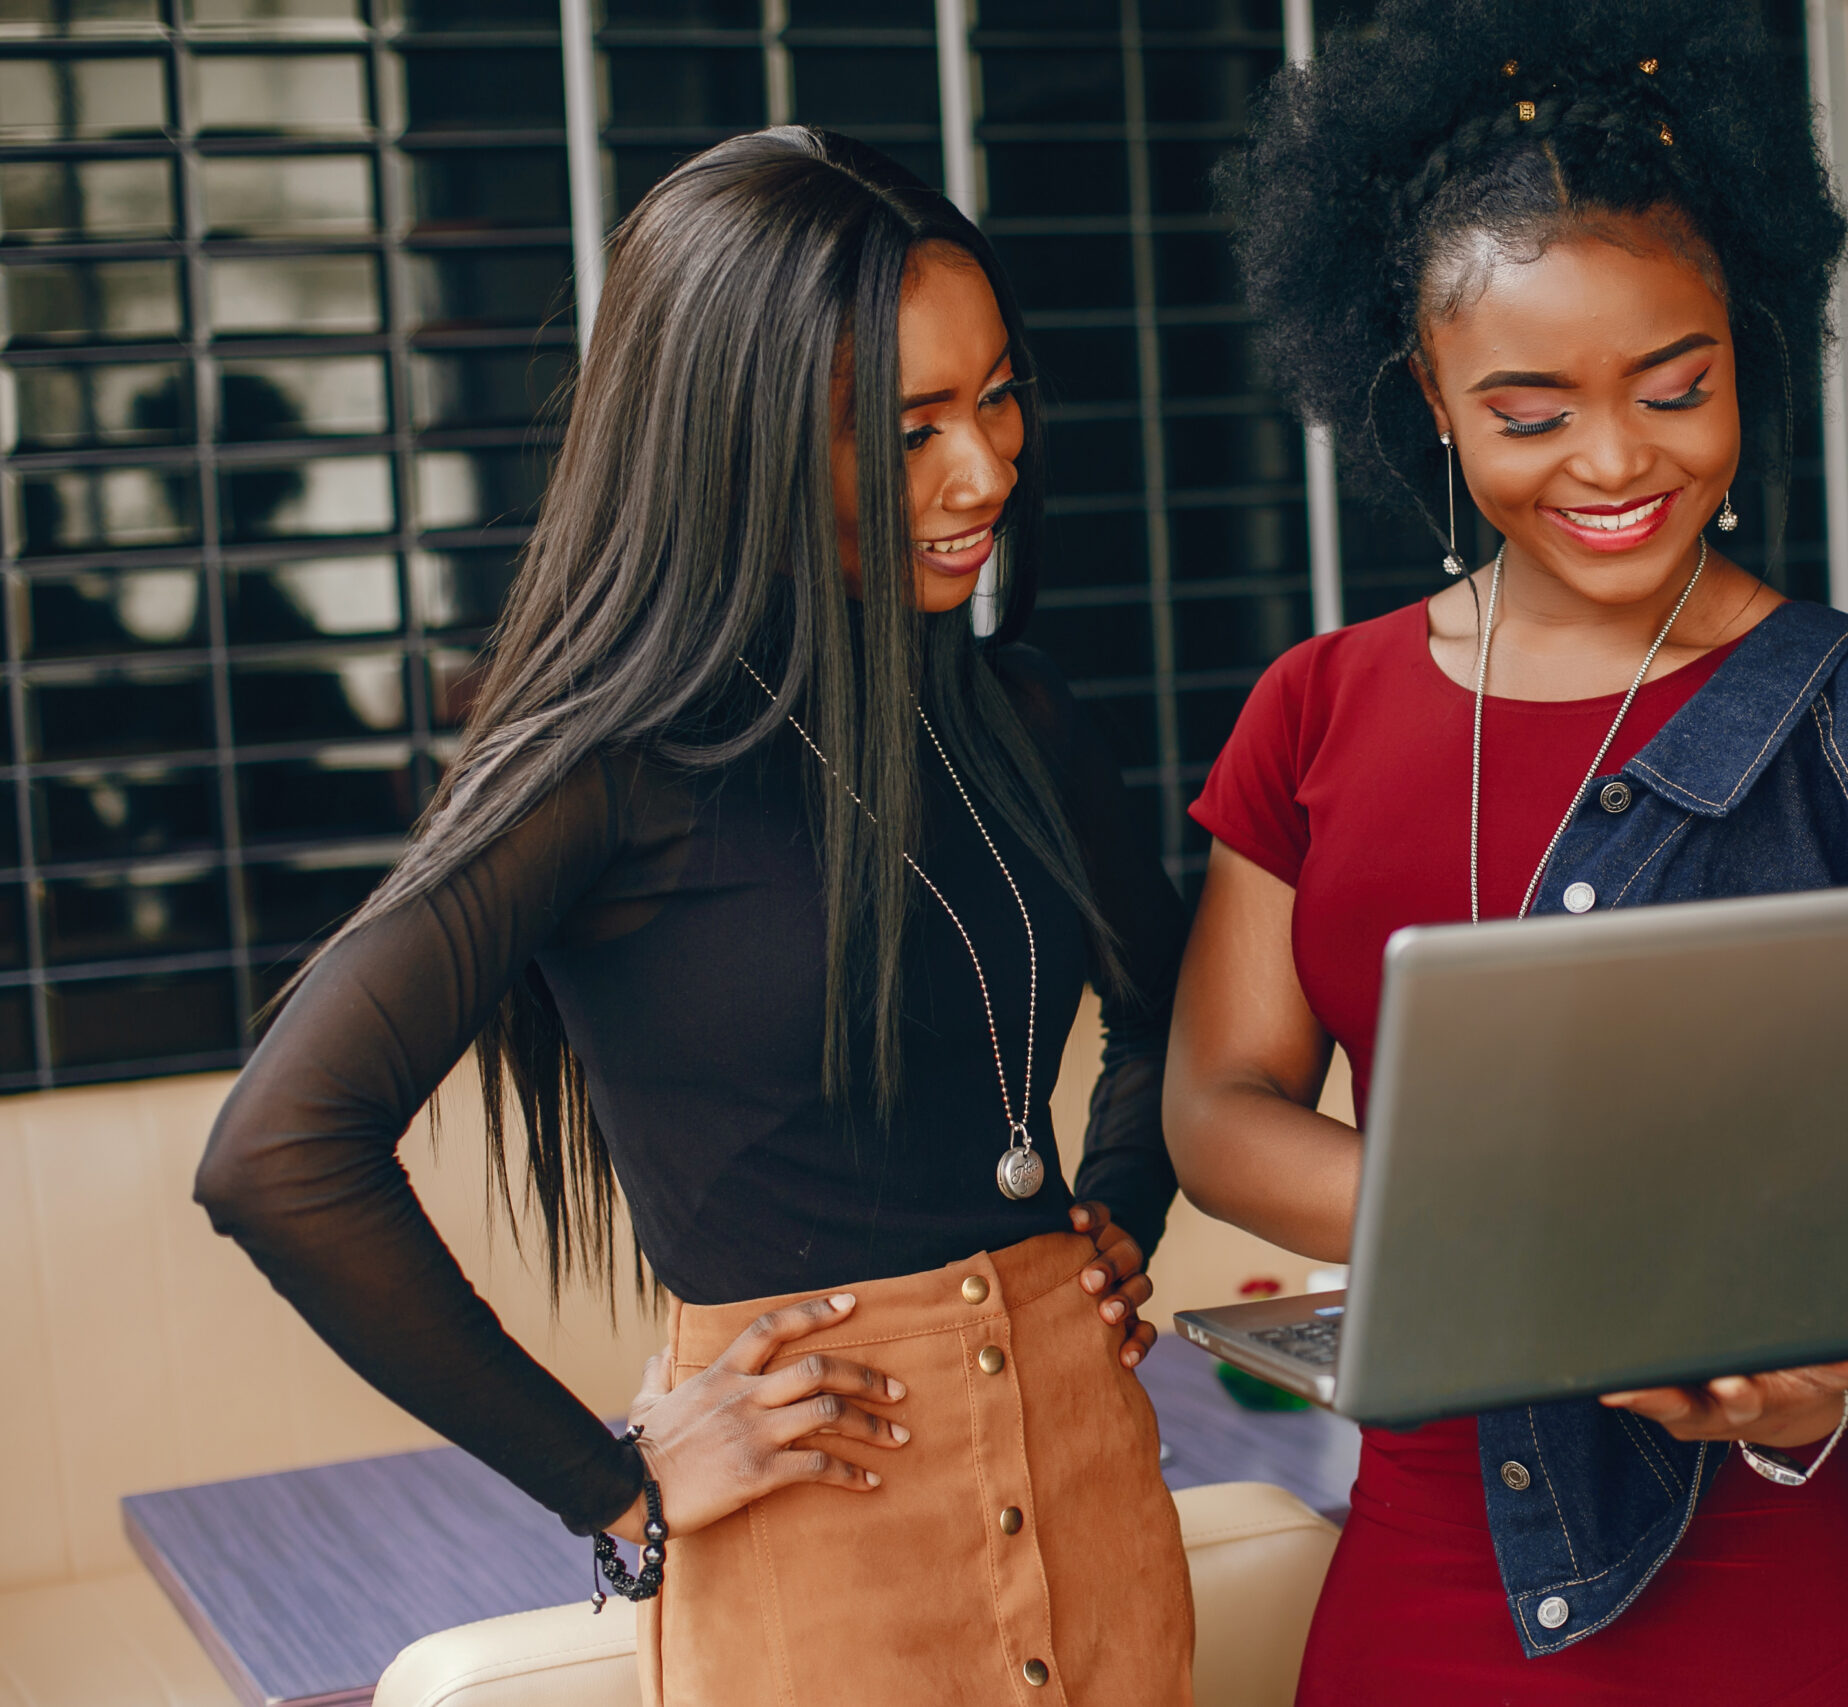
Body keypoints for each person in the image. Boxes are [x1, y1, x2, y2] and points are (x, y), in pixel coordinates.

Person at [1165, 5, 1848, 1704]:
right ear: (1428, 401)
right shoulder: (1316, 707)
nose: (1615, 463)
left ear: (1744, 347)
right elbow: (1220, 1104)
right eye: (1530, 414)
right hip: (1435, 1562)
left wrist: (1814, 1375)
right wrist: (1532, 1231)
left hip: (1782, 1551)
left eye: (1675, 388)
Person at [196, 127, 1194, 1707]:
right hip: (817, 1541)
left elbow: (1168, 1009)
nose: (987, 468)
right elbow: (279, 1152)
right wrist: (615, 1480)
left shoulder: (1024, 714)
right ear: (734, 443)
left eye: (996, 395)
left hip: (1098, 1487)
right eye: (908, 425)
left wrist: (1119, 1207)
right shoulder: (602, 776)